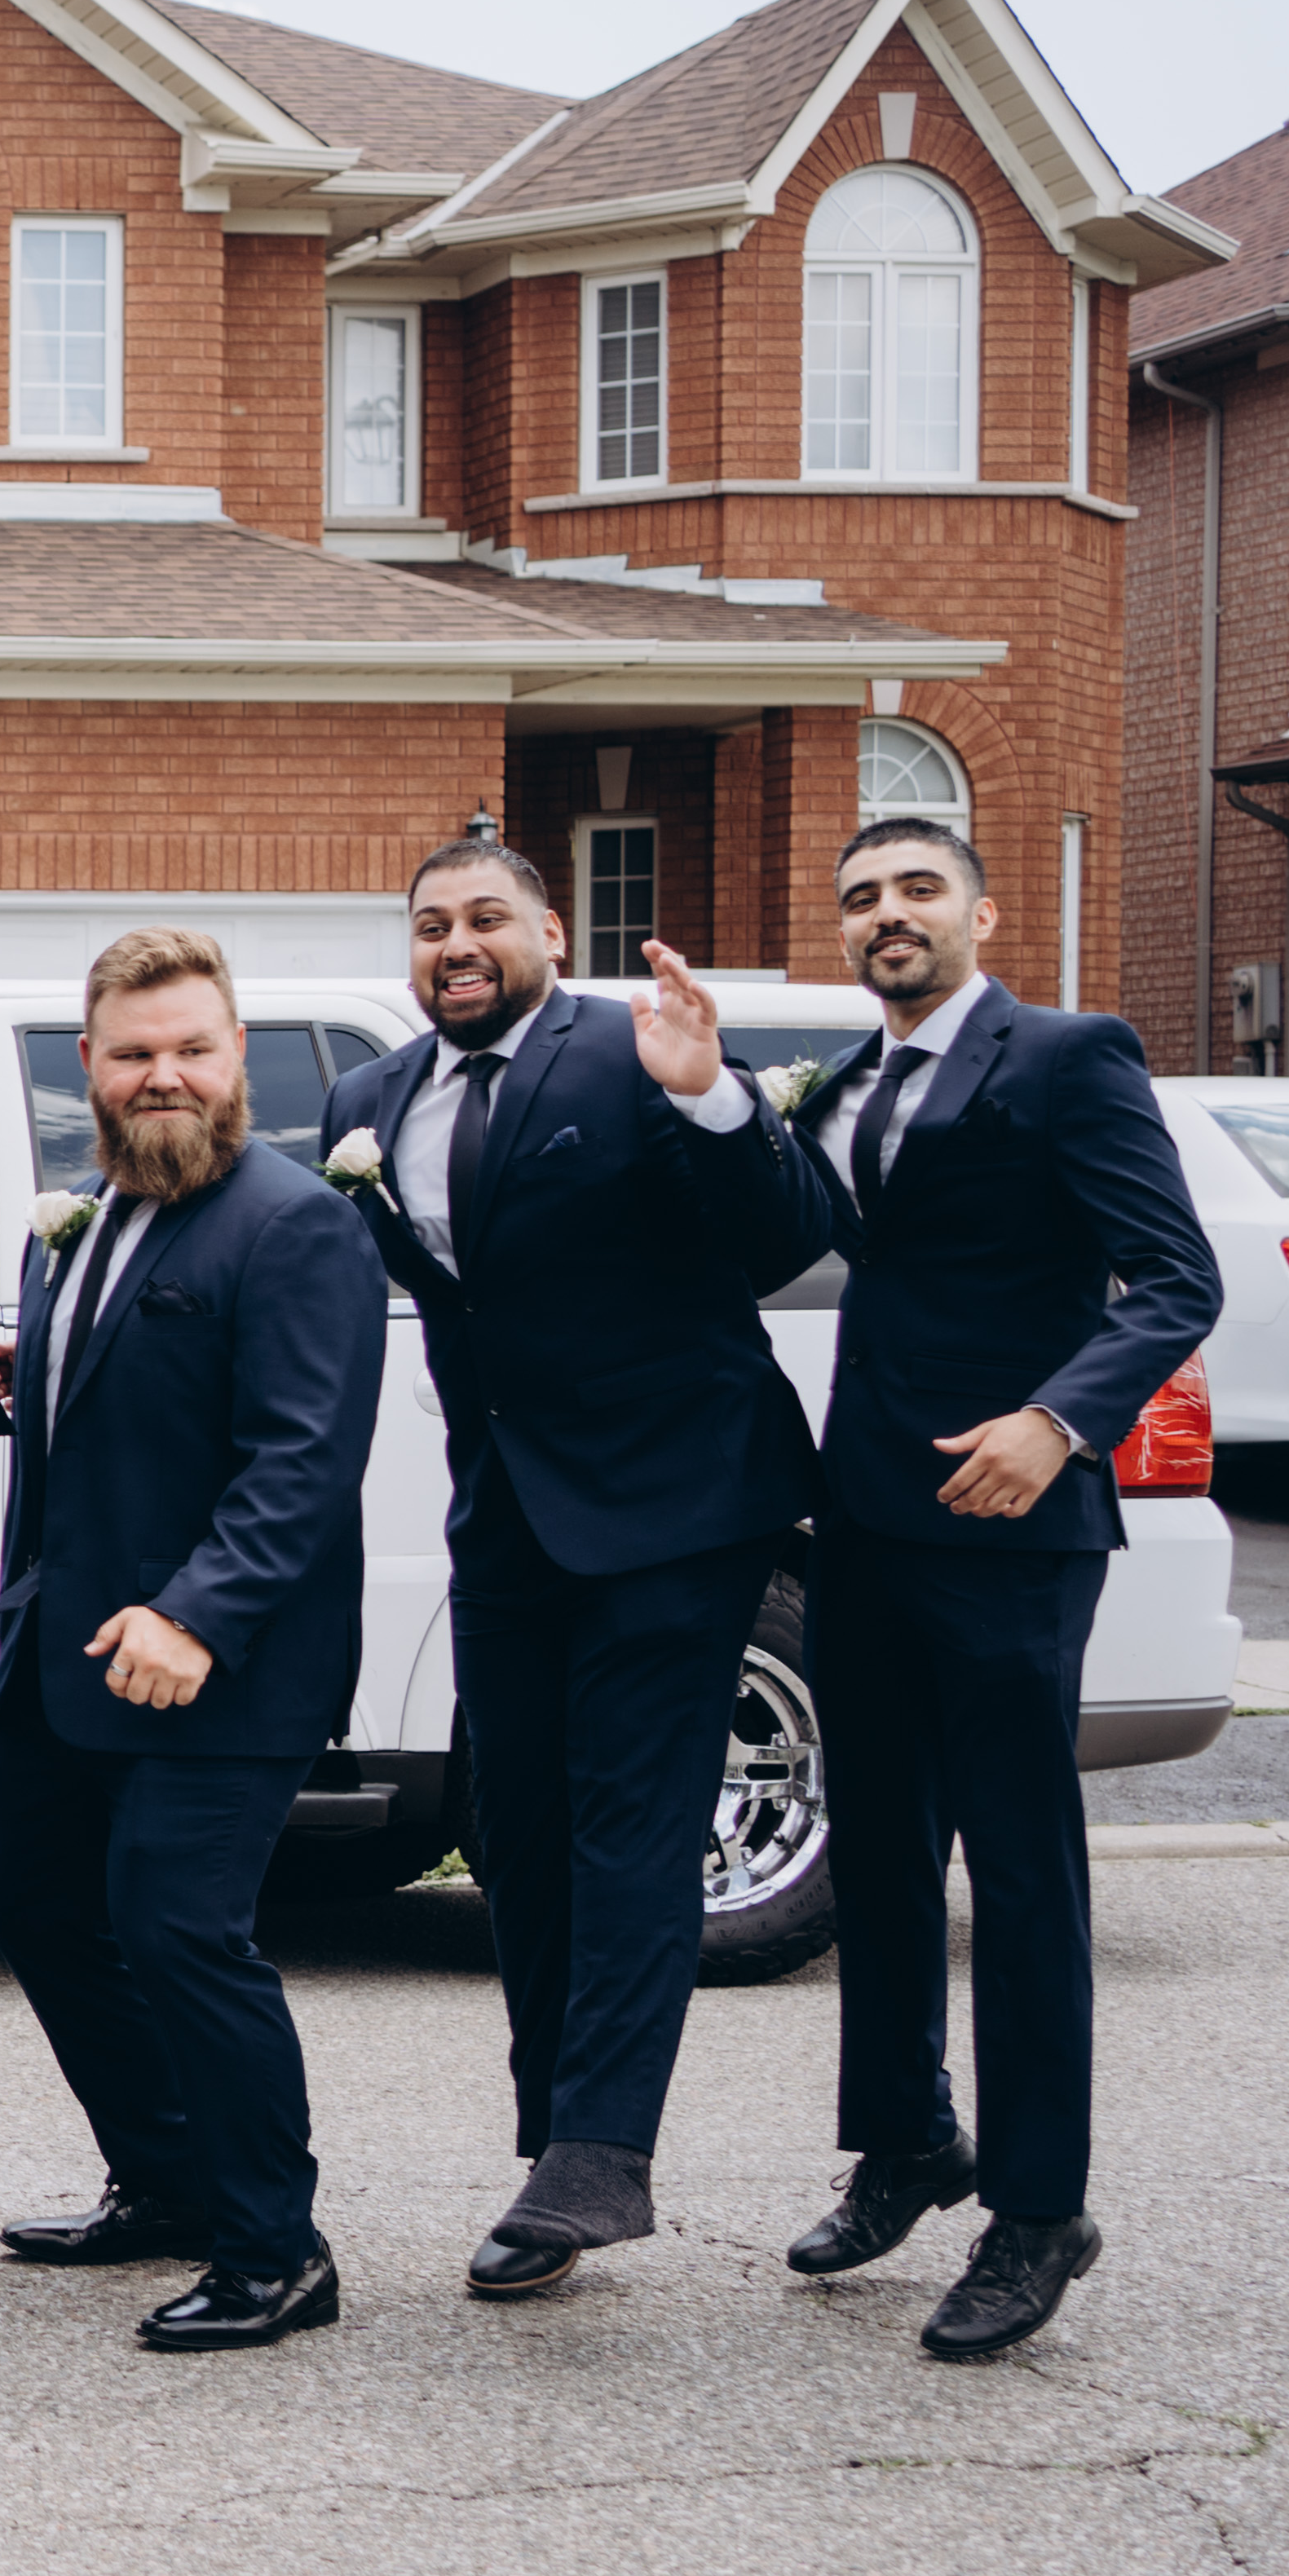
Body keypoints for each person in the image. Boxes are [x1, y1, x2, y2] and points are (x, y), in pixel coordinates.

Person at [322, 844, 833, 2299]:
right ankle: (558, 2133)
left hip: (679, 1502)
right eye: (430, 924)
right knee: (519, 1829)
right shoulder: (370, 1103)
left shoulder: (631, 1052)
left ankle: (600, 2155)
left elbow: (783, 1235)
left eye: (485, 918)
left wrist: (712, 1098)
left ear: (550, 931)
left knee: (629, 1823)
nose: (455, 944)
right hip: (507, 1516)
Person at [782, 815, 1218, 2359]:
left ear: (979, 912)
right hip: (864, 1520)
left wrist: (1058, 1421)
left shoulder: (1065, 1058)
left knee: (1019, 1877)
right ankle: (907, 2140)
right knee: (878, 1853)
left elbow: (1175, 1278)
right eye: (860, 899)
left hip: (1014, 1528)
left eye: (916, 890)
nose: (885, 916)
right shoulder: (841, 1087)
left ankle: (1037, 2211)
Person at [0, 929, 380, 2353]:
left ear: (236, 1060)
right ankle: (165, 2180)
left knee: (179, 1930)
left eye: (192, 1050)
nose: (165, 1076)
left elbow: (301, 1457)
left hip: (226, 1660)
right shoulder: (84, 1215)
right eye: (135, 1053)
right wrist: (30, 1374)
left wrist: (197, 1612)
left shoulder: (293, 1222)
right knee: (35, 1905)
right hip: (67, 1650)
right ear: (88, 1065)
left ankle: (275, 2246)